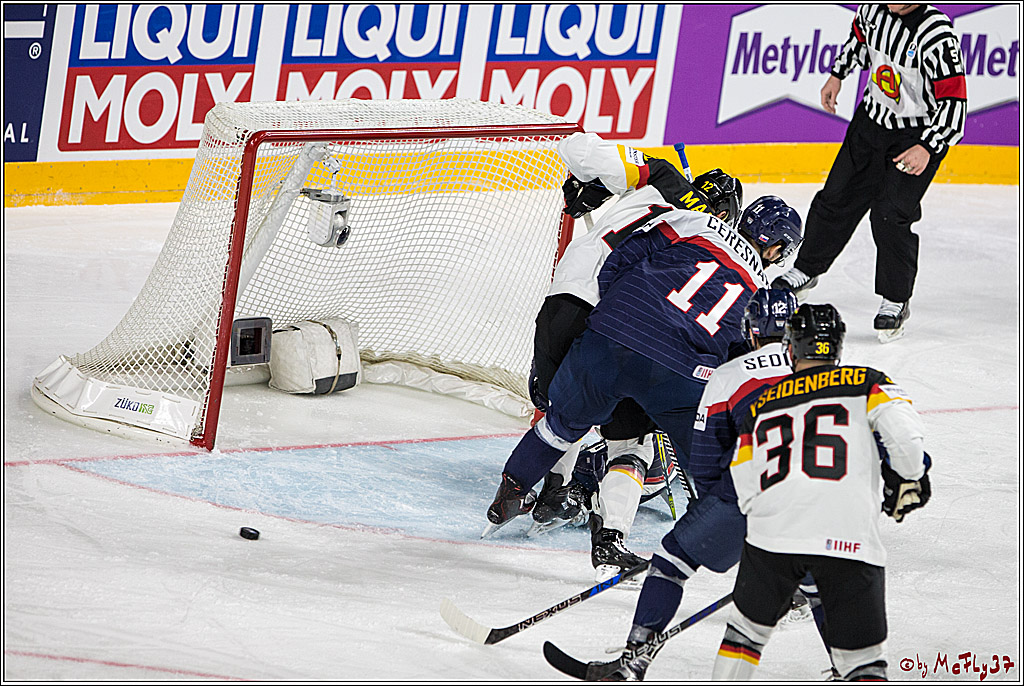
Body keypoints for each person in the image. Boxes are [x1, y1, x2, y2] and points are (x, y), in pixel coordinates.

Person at [483, 192, 804, 578]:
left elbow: (629, 253)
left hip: (616, 332)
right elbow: (740, 358)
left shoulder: (697, 222)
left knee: (560, 425)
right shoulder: (762, 293)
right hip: (680, 372)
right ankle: (662, 544)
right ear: (778, 249)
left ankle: (513, 489)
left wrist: (619, 308)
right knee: (665, 454)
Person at [524, 132, 744, 546]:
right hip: (630, 335)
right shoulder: (718, 252)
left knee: (559, 400)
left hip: (574, 300)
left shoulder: (659, 192)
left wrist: (595, 182)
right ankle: (613, 518)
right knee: (636, 435)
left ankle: (551, 490)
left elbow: (582, 150)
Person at [711, 303, 932, 680]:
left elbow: (744, 481)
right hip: (847, 537)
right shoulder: (867, 382)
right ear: (838, 348)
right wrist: (908, 477)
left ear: (791, 348)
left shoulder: (763, 403)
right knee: (862, 664)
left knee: (743, 639)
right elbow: (907, 443)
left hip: (773, 538)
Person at [601, 288, 803, 680]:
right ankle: (848, 669)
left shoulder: (731, 374)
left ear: (751, 330)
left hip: (747, 491)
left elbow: (707, 461)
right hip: (816, 497)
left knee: (670, 562)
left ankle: (634, 659)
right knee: (818, 579)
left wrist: (711, 511)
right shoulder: (826, 374)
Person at [772, 4, 967, 343]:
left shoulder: (937, 34)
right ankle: (807, 268)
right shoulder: (872, 10)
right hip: (870, 124)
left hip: (915, 137)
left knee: (890, 215)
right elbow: (859, 41)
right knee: (835, 199)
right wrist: (837, 74)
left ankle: (895, 298)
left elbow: (955, 103)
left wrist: (929, 146)